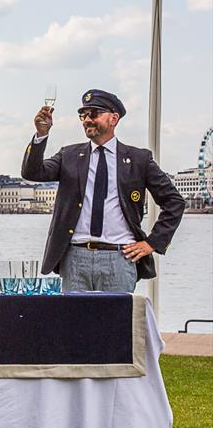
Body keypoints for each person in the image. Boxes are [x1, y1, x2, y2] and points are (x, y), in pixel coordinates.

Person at [22, 89, 184, 292]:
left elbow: (174, 201)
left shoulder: (139, 159)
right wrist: (41, 135)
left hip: (119, 258)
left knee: (115, 322)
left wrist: (152, 243)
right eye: (83, 115)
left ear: (114, 118)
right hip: (74, 258)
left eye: (94, 113)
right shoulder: (69, 155)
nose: (87, 119)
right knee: (73, 322)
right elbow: (32, 172)